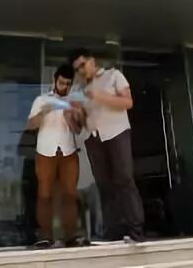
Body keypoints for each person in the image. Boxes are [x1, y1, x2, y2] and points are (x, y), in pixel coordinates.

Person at [69, 48, 145, 243]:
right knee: (104, 184)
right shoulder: (78, 90)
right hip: (93, 137)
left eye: (83, 65)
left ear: (92, 60)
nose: (81, 71)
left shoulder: (113, 75)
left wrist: (99, 96)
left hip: (116, 133)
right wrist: (76, 113)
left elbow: (127, 102)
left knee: (124, 179)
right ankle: (113, 231)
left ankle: (136, 230)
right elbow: (78, 125)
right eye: (77, 69)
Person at [25, 64, 88, 249]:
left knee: (69, 194)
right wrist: (45, 111)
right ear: (54, 80)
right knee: (44, 194)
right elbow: (30, 125)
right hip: (45, 152)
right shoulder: (41, 100)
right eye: (62, 83)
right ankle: (45, 236)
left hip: (68, 151)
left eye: (68, 84)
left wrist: (73, 115)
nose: (64, 87)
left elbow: (79, 129)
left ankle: (71, 235)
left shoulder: (74, 102)